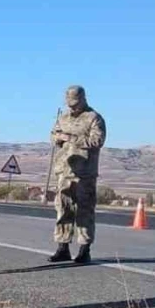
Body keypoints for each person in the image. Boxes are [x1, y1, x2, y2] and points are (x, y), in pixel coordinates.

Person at [49, 85, 106, 264]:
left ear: (83, 99)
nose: (72, 107)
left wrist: (72, 139)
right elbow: (53, 136)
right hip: (64, 170)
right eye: (69, 103)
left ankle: (84, 250)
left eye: (75, 103)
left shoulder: (93, 118)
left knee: (84, 210)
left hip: (84, 173)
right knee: (63, 209)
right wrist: (57, 138)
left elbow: (98, 140)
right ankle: (62, 247)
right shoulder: (63, 117)